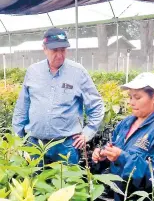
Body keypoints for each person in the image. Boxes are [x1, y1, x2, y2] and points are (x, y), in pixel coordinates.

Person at [12, 27, 104, 165]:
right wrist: (18, 139)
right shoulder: (33, 72)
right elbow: (22, 107)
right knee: (34, 184)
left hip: (66, 146)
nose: (60, 55)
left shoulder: (78, 72)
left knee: (68, 184)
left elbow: (96, 105)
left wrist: (88, 132)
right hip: (34, 144)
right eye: (55, 50)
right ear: (44, 49)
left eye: (63, 50)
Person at [92, 72, 154, 201]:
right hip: (121, 196)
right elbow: (114, 148)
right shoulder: (126, 123)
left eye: (137, 97)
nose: (131, 102)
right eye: (130, 97)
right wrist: (103, 156)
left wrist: (122, 157)